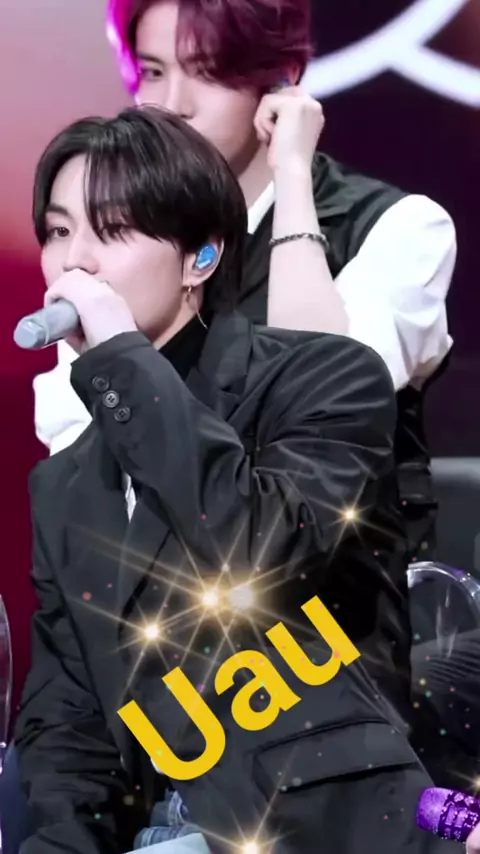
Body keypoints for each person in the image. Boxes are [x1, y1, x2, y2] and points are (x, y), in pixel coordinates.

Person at [15, 106, 455, 854]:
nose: (74, 264)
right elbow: (70, 727)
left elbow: (254, 550)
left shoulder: (324, 380)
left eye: (111, 230)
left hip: (311, 824)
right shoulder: (64, 486)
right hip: (157, 830)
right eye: (59, 232)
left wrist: (120, 356)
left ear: (202, 258)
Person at [33, 0, 456, 564]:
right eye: (153, 71)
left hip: (327, 596)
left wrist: (293, 175)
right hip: (164, 590)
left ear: (282, 80)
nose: (171, 104)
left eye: (207, 72)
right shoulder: (121, 250)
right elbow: (77, 463)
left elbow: (320, 399)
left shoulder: (401, 228)